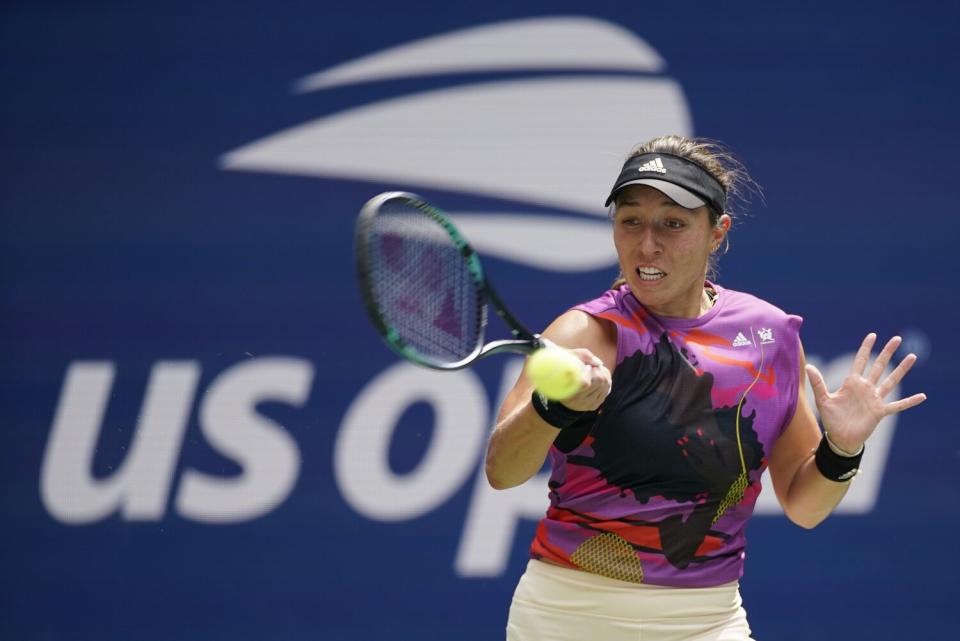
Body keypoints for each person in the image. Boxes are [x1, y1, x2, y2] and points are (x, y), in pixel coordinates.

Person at [485, 135, 926, 641]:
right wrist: (552, 407)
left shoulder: (770, 337)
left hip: (709, 622)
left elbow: (805, 506)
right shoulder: (584, 333)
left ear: (718, 233)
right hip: (569, 617)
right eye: (631, 221)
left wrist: (843, 447)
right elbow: (502, 470)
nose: (647, 244)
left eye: (673, 224)